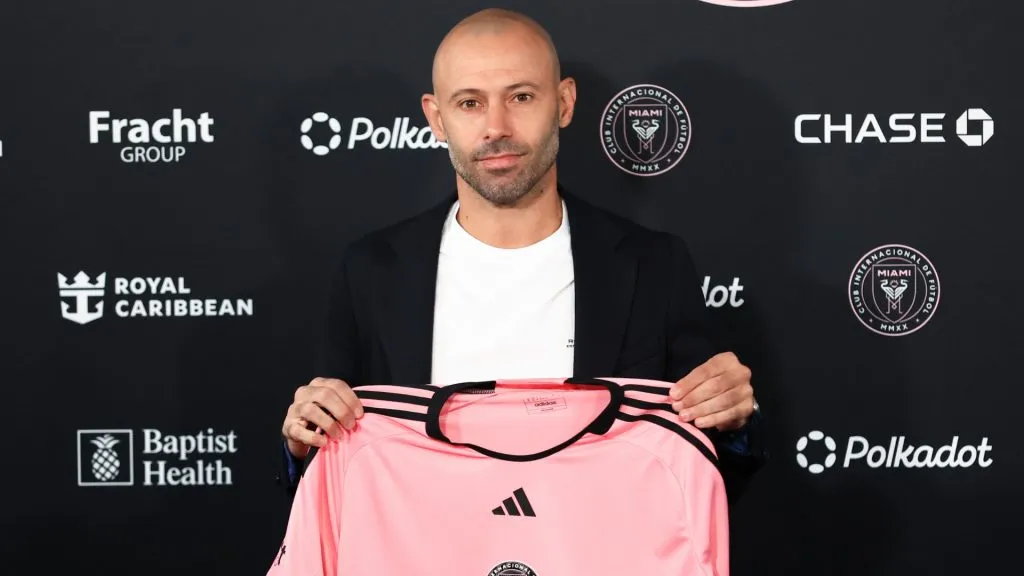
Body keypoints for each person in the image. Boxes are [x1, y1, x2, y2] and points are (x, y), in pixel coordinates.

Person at [279, 8, 767, 503]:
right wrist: (305, 441)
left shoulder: (655, 265)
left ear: (564, 103)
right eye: (470, 103)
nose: (497, 127)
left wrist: (732, 418)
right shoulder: (372, 270)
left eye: (521, 97)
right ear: (436, 118)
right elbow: (332, 470)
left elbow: (706, 463)